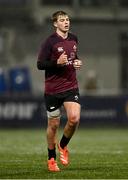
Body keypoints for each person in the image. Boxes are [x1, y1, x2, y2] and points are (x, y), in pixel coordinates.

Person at [37, 11, 82, 172]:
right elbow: (40, 64)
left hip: (70, 86)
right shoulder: (49, 42)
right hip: (52, 90)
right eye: (62, 20)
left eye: (67, 19)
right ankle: (51, 158)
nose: (66, 22)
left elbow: (73, 56)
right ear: (55, 24)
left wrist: (76, 62)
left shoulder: (74, 38)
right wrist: (56, 62)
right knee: (54, 125)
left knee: (74, 119)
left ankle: (62, 145)